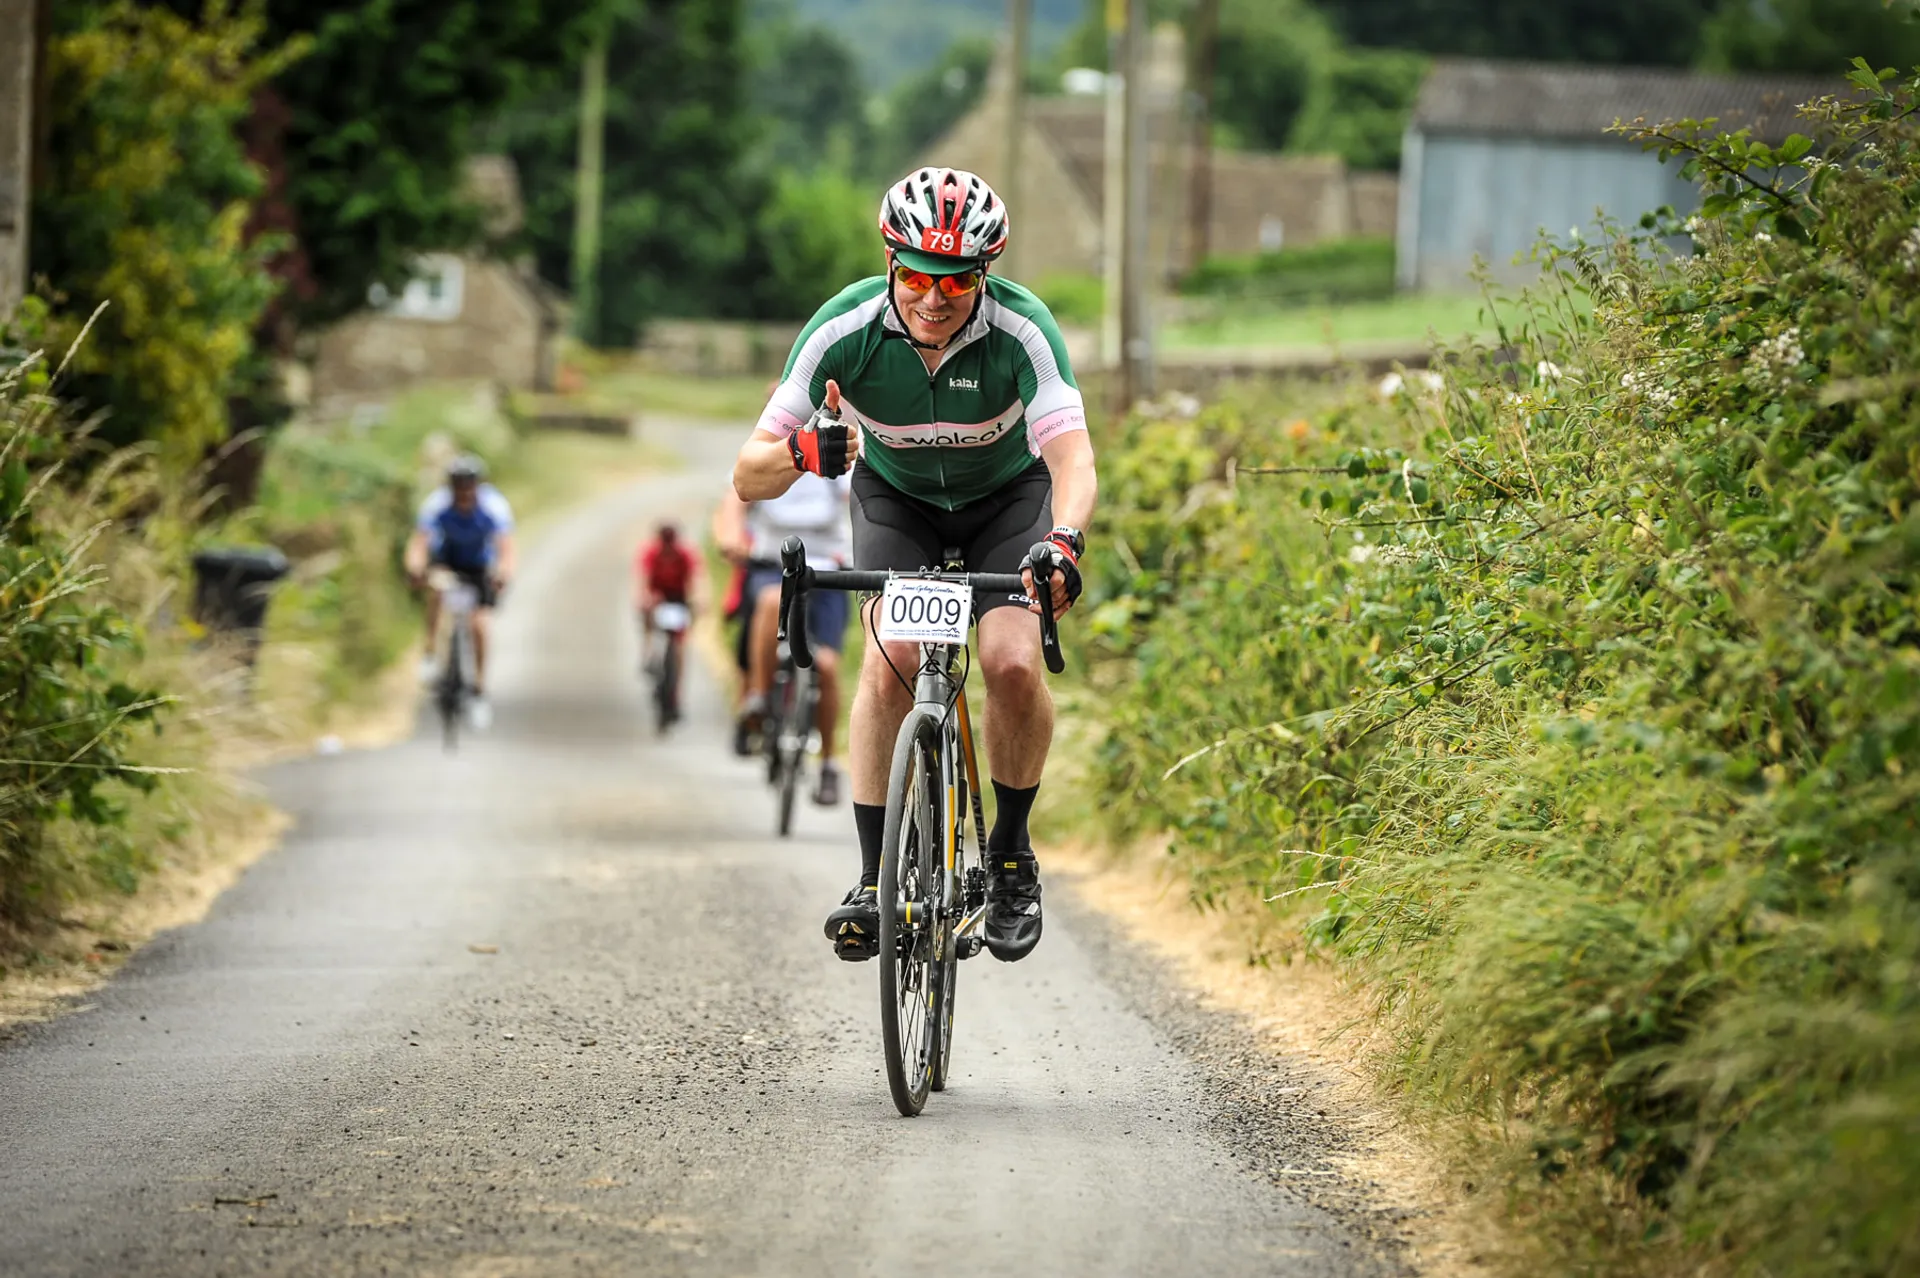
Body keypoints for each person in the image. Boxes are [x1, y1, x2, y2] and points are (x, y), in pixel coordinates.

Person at [730, 167, 1095, 964]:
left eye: (957, 282)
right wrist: (802, 451)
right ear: (892, 265)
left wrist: (1063, 539)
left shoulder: (1023, 329)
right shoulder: (841, 327)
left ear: (983, 276)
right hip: (898, 502)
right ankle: (872, 878)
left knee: (1009, 662)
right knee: (891, 658)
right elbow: (748, 474)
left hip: (1008, 499)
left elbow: (1073, 459)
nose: (935, 298)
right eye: (919, 278)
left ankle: (1009, 856)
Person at [712, 470, 854, 805]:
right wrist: (731, 536)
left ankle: (828, 764)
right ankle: (759, 697)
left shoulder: (838, 454)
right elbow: (735, 497)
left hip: (827, 569)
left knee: (829, 666)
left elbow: (863, 499)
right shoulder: (770, 448)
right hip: (771, 562)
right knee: (766, 601)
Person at [405, 454, 516, 730]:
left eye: (469, 485)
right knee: (437, 592)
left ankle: (479, 689)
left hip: (479, 567)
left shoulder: (494, 506)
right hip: (448, 562)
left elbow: (506, 547)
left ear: (478, 486)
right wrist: (415, 568)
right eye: (458, 485)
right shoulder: (437, 504)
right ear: (451, 486)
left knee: (479, 624)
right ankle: (431, 651)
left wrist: (503, 572)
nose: (464, 492)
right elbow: (420, 543)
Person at [634, 521, 703, 715]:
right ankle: (648, 651)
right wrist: (644, 598)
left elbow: (697, 580)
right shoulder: (650, 553)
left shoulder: (686, 554)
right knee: (647, 616)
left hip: (678, 599)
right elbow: (643, 579)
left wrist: (699, 599)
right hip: (657, 598)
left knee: (679, 647)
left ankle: (676, 694)